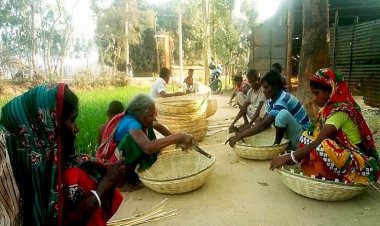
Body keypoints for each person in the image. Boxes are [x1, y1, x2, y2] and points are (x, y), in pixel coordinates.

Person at [0, 84, 126, 225]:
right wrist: (106, 183)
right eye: (72, 120)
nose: (77, 128)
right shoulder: (8, 159)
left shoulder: (39, 151)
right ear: (49, 123)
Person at [270, 68, 380, 185]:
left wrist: (290, 157)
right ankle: (320, 169)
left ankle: (343, 175)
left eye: (316, 93)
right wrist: (296, 155)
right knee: (306, 136)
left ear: (331, 90)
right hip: (340, 152)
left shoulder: (340, 111)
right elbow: (315, 136)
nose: (314, 97)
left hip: (358, 162)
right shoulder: (328, 108)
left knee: (322, 147)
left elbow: (318, 142)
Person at [101, 94, 196, 184]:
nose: (154, 117)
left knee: (149, 127)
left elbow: (157, 125)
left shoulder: (141, 118)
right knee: (131, 140)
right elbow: (148, 148)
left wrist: (178, 141)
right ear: (140, 114)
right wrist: (179, 136)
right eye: (151, 115)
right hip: (115, 165)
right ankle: (125, 180)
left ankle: (136, 172)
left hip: (126, 157)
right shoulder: (132, 123)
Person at [226, 70, 310, 150]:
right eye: (263, 88)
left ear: (276, 87)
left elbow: (265, 124)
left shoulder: (283, 99)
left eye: (266, 88)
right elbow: (263, 121)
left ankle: (279, 145)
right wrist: (242, 133)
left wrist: (239, 136)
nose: (264, 91)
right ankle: (283, 144)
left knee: (282, 115)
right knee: (274, 123)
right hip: (293, 133)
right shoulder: (271, 100)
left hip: (302, 136)